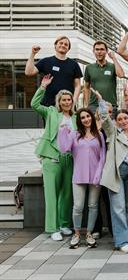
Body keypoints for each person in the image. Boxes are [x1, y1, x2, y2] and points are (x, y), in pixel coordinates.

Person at [95, 89, 128, 253]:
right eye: (120, 119)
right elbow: (105, 119)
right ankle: (122, 241)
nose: (123, 121)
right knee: (118, 207)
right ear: (116, 121)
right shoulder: (113, 133)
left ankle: (125, 237)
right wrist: (101, 100)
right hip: (116, 173)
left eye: (125, 118)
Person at [31, 74, 75, 241]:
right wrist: (43, 87)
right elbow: (34, 104)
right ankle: (53, 227)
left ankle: (64, 224)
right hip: (52, 157)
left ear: (72, 101)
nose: (66, 102)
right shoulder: (50, 112)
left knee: (66, 193)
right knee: (51, 194)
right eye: (63, 100)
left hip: (69, 159)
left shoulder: (76, 117)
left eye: (68, 100)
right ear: (59, 101)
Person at [58, 107, 106, 248]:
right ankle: (77, 233)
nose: (86, 119)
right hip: (78, 176)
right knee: (78, 206)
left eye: (88, 116)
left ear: (92, 117)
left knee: (93, 206)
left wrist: (99, 173)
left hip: (95, 176)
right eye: (83, 117)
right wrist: (62, 131)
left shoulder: (99, 135)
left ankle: (89, 234)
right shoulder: (74, 135)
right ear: (79, 120)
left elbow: (103, 156)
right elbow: (64, 149)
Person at [25, 37, 83, 106]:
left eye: (66, 44)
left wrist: (74, 100)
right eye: (61, 43)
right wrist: (33, 54)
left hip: (67, 105)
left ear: (68, 49)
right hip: (48, 105)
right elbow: (29, 72)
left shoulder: (74, 64)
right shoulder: (46, 61)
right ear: (55, 45)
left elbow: (77, 85)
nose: (63, 45)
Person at [83, 40, 125, 112]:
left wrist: (114, 58)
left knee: (110, 123)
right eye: (97, 49)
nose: (99, 52)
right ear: (93, 51)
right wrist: (87, 105)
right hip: (94, 106)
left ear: (106, 51)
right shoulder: (89, 67)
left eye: (102, 49)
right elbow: (86, 87)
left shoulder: (112, 66)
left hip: (110, 105)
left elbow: (121, 75)